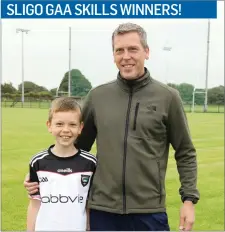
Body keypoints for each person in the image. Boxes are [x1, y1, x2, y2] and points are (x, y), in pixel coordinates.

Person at [24, 23, 199, 231]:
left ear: (147, 51)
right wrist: (42, 173)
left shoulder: (168, 97)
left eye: (132, 49)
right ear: (113, 55)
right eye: (119, 50)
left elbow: (185, 151)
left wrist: (188, 200)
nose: (126, 56)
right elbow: (77, 148)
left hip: (149, 211)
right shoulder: (98, 96)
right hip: (102, 211)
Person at [26, 97, 96, 231]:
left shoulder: (90, 163)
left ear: (80, 127)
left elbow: (89, 205)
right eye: (59, 124)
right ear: (49, 126)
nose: (66, 130)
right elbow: (34, 204)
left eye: (72, 124)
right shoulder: (37, 162)